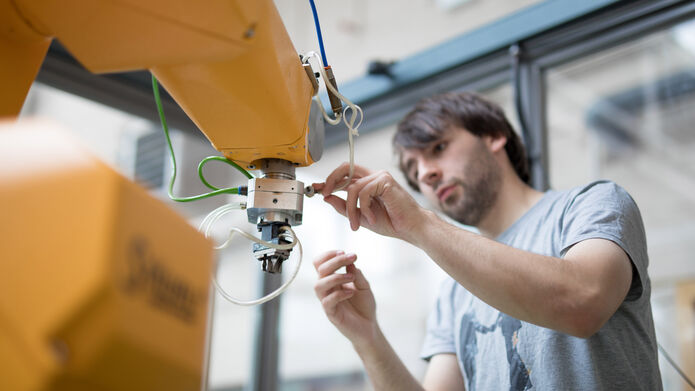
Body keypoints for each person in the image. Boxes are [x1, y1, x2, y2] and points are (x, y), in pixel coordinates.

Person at [311, 92, 662, 390]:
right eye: (413, 170)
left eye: (438, 147)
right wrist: (367, 337)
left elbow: (582, 303)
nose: (426, 175)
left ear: (493, 136)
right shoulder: (454, 291)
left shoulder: (591, 204)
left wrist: (418, 223)